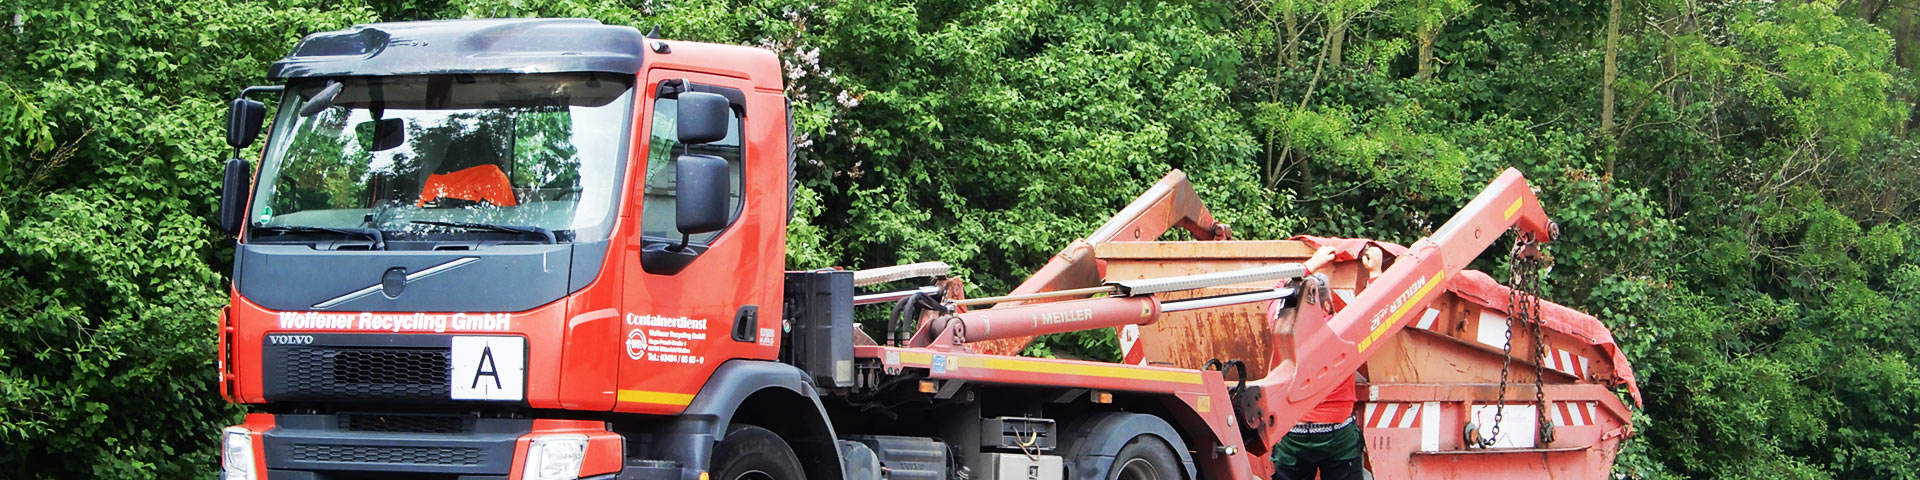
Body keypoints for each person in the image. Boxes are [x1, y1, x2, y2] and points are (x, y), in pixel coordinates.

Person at [1272, 243, 1391, 480]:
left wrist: (1312, 263)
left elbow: (1278, 287)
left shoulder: (1281, 323)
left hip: (1293, 433)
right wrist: (1375, 272)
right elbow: (1377, 309)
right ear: (1326, 304)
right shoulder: (1341, 329)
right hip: (1338, 434)